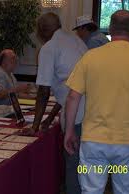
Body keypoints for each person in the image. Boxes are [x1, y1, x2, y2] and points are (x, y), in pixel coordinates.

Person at [65, 10, 129, 194]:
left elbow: (73, 97)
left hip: (93, 142)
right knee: (128, 191)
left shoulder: (90, 57)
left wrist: (69, 131)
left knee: (91, 190)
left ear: (111, 27)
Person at [21, 13, 87, 194]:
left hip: (78, 114)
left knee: (74, 165)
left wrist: (34, 127)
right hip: (93, 110)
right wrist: (48, 120)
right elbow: (65, 89)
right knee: (87, 167)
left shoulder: (49, 48)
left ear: (42, 31)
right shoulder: (75, 41)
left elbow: (43, 91)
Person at [0, 49, 33, 114]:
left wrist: (33, 97)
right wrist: (18, 89)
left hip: (4, 111)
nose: (16, 60)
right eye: (13, 58)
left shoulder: (10, 75)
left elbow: (14, 94)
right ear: (4, 61)